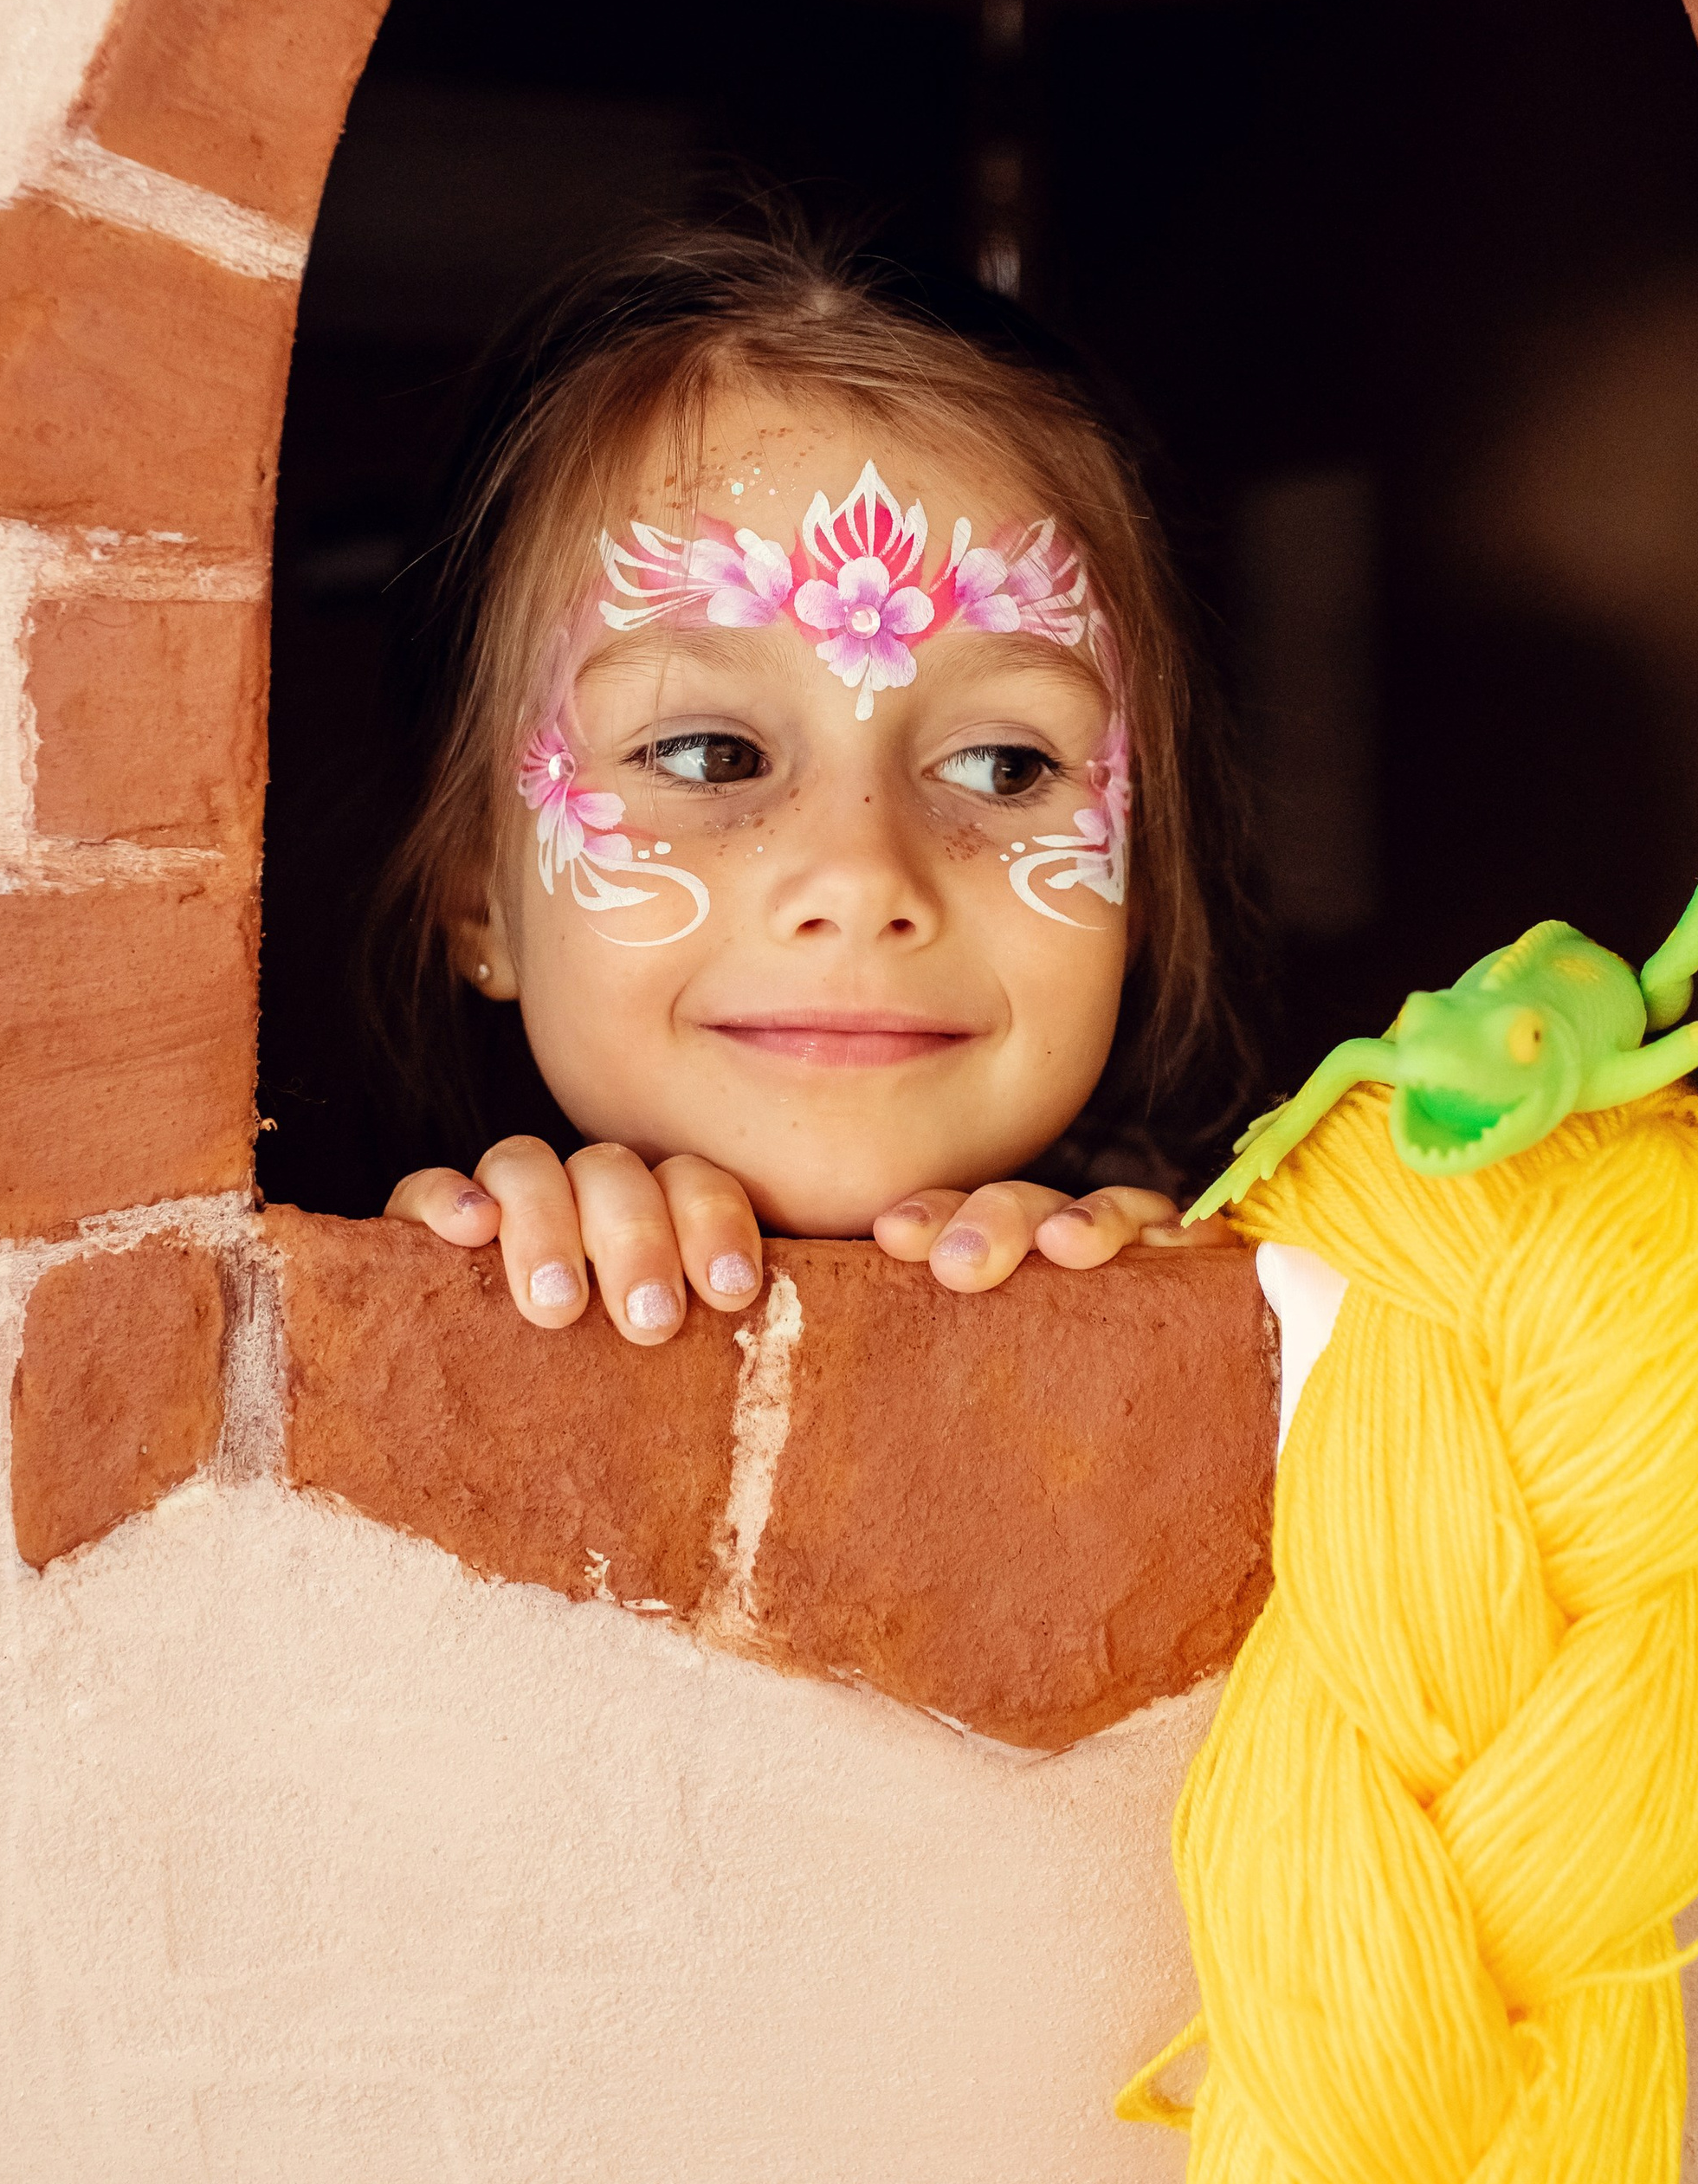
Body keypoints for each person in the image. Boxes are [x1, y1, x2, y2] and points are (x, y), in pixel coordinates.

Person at [378, 208, 1242, 1341]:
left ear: (1140, 880)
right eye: (707, 757)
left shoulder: (1271, 1287)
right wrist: (464, 1304)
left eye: (1004, 765)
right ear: (477, 885)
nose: (862, 878)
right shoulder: (452, 1260)